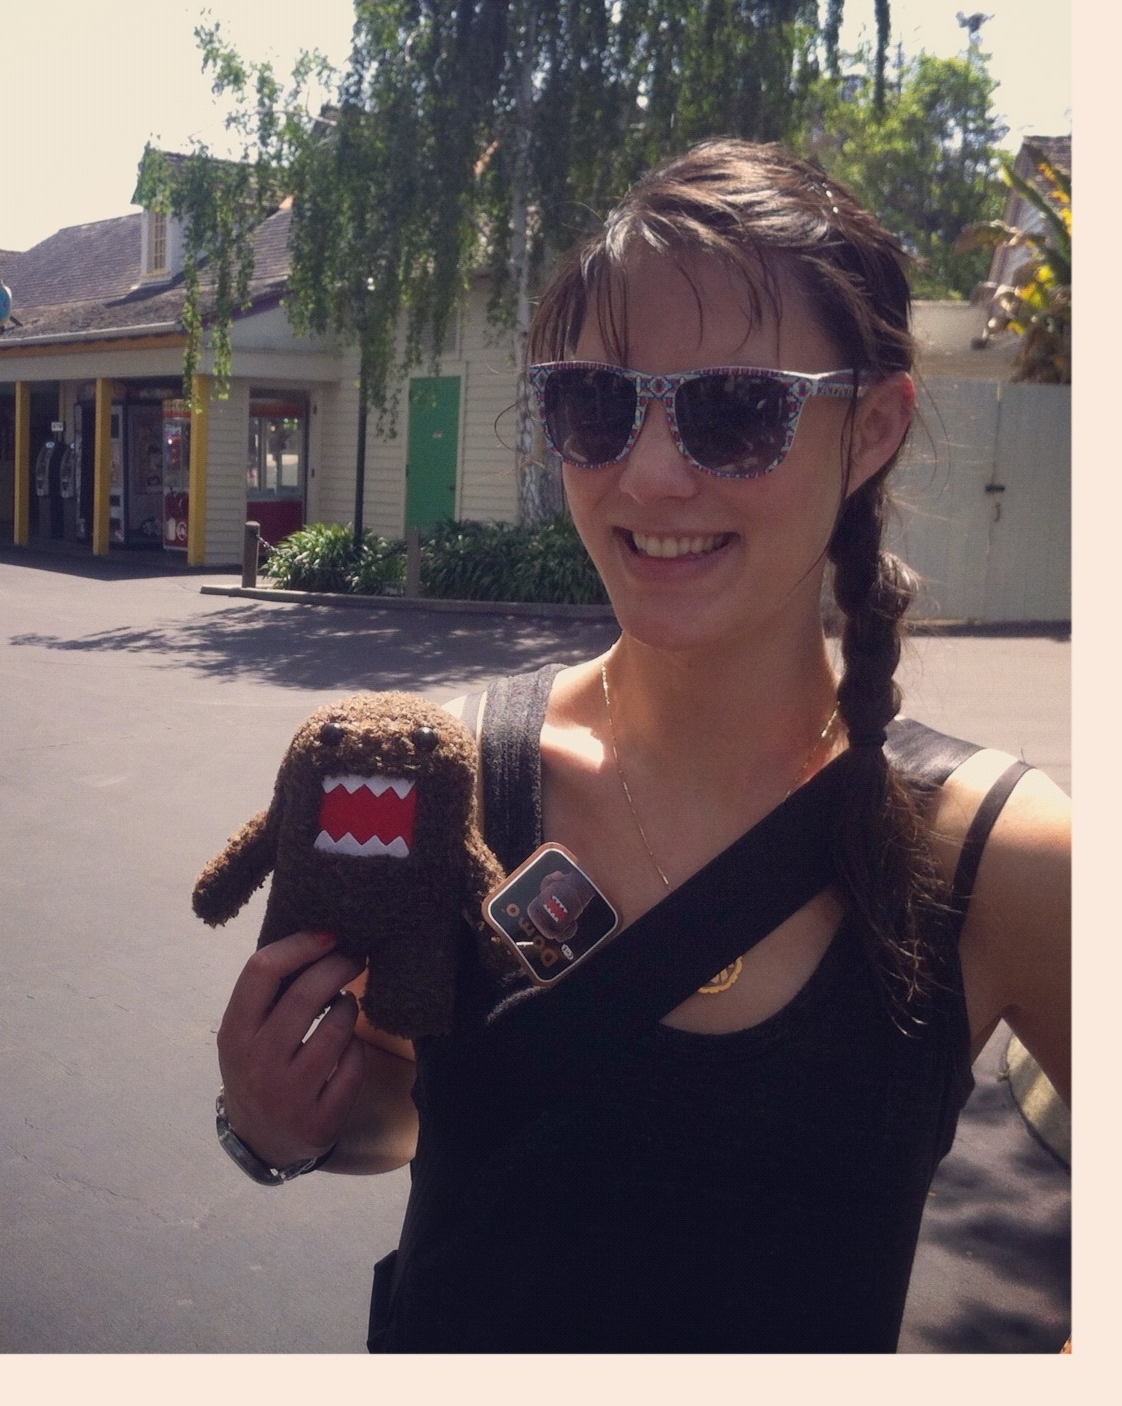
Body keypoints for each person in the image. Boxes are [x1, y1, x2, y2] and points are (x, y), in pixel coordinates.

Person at [212, 140, 1071, 1352]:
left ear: (873, 427)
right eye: (594, 405)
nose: (651, 474)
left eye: (739, 409)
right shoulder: (457, 775)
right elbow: (407, 1109)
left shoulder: (1000, 858)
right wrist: (276, 1121)